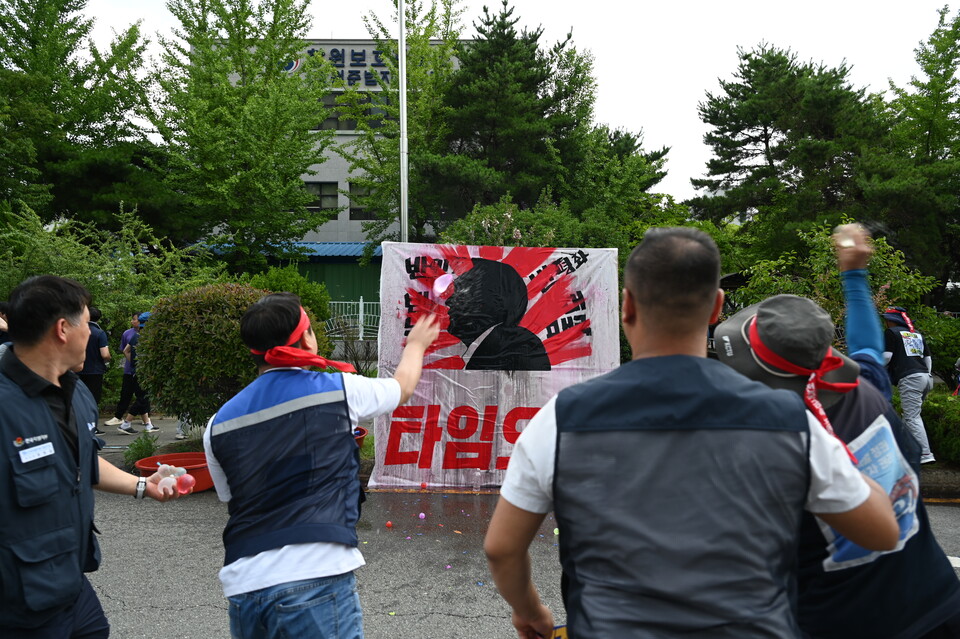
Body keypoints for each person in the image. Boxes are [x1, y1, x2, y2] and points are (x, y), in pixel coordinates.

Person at [484, 227, 898, 639]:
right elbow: (881, 530)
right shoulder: (785, 418)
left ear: (627, 305)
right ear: (717, 308)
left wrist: (531, 612)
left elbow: (502, 548)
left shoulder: (563, 416)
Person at [715, 292, 960, 639]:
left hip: (850, 624)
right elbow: (867, 345)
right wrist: (855, 277)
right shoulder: (865, 386)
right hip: (939, 602)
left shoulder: (777, 450)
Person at [204, 292, 439, 639]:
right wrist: (417, 344)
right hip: (314, 576)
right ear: (305, 338)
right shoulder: (339, 389)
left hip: (244, 586)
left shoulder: (218, 424)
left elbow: (234, 499)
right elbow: (402, 388)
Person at [0, 275, 185, 638]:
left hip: (71, 584)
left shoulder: (77, 394)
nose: (92, 333)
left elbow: (80, 460)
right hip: (17, 605)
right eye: (87, 323)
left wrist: (145, 484)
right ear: (63, 329)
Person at [446, 258, 550, 371]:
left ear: (488, 300)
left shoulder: (518, 348)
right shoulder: (503, 345)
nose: (449, 301)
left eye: (461, 293)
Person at [882, 305, 936, 463]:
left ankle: (925, 454)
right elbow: (928, 359)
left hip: (910, 378)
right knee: (910, 416)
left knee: (912, 417)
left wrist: (874, 367)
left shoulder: (891, 333)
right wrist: (928, 373)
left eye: (886, 320)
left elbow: (886, 357)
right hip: (925, 377)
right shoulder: (916, 333)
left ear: (891, 321)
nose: (886, 323)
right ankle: (904, 449)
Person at [116, 312, 157, 434]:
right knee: (143, 398)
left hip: (135, 372)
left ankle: (148, 425)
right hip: (145, 373)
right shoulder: (149, 338)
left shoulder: (136, 336)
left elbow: (125, 350)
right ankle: (126, 423)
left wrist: (134, 364)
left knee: (141, 397)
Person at [104, 312, 140, 429]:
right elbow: (124, 350)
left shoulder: (149, 333)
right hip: (130, 370)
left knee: (143, 396)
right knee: (125, 394)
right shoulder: (127, 333)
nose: (132, 321)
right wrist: (133, 363)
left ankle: (147, 421)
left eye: (134, 319)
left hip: (142, 371)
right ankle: (118, 416)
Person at [78, 307, 111, 435]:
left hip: (79, 369)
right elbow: (105, 354)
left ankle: (80, 425)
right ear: (99, 318)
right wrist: (108, 359)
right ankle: (93, 426)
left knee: (80, 398)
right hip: (95, 370)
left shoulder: (79, 331)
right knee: (93, 400)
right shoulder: (99, 333)